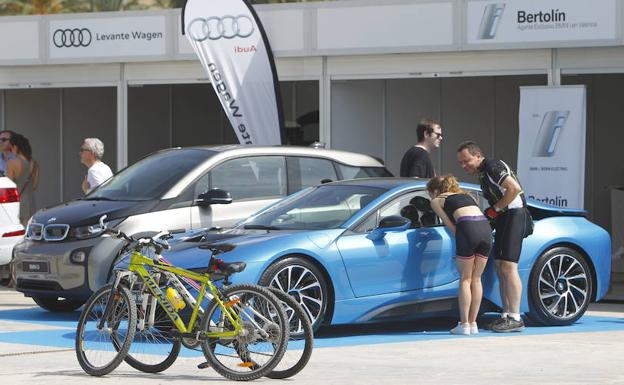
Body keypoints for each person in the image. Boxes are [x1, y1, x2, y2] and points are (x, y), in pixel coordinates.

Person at [457, 141, 531, 333]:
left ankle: (516, 317)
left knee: (508, 266)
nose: (464, 166)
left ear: (478, 155)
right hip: (505, 217)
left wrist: (495, 209)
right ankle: (506, 315)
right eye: (461, 163)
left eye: (467, 161)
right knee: (499, 267)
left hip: (515, 214)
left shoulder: (491, 165)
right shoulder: (483, 172)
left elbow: (513, 188)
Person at [427, 175, 492, 335]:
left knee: (465, 279)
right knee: (477, 279)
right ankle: (473, 324)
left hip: (468, 228)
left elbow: (451, 226)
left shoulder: (436, 200)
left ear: (435, 190)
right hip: (486, 230)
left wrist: (463, 240)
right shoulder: (467, 195)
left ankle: (463, 324)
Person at [6, 133, 39, 225]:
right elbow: (35, 185)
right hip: (30, 201)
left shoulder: (11, 163)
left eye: (10, 148)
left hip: (15, 202)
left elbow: (8, 186)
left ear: (15, 147)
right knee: (27, 230)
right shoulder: (34, 163)